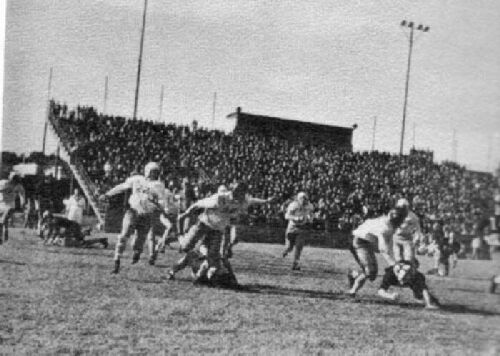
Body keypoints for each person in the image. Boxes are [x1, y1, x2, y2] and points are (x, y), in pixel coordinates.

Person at [169, 182, 272, 281]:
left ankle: (200, 274)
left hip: (217, 230)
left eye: (241, 192)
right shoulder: (221, 198)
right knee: (186, 247)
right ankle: (181, 243)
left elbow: (253, 200)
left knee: (210, 257)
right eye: (236, 191)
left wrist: (267, 201)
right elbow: (199, 204)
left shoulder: (243, 200)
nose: (239, 195)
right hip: (204, 224)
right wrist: (186, 214)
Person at [100, 162, 166, 274]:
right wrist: (108, 194)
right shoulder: (137, 179)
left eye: (156, 172)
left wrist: (159, 205)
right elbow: (122, 186)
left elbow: (162, 201)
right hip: (133, 211)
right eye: (153, 171)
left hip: (146, 215)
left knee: (137, 243)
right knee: (123, 235)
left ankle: (137, 252)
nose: (154, 174)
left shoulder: (159, 185)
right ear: (147, 171)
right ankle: (117, 261)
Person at [347, 209, 407, 297]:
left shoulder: (386, 222)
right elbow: (383, 248)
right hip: (359, 241)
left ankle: (354, 274)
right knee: (370, 272)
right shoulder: (386, 227)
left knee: (372, 275)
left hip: (365, 241)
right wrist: (393, 264)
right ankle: (352, 291)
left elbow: (388, 245)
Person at [282, 192, 314, 270]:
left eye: (305, 199)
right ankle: (286, 250)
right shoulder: (293, 205)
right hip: (292, 227)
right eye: (302, 199)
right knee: (290, 247)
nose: (304, 201)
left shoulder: (309, 205)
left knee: (299, 246)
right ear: (298, 199)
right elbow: (286, 216)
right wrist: (295, 218)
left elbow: (311, 214)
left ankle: (295, 263)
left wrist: (310, 218)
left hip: (302, 228)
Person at [392, 198, 423, 266]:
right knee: (398, 259)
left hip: (407, 238)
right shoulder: (394, 214)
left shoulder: (412, 216)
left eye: (403, 207)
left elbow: (418, 228)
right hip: (396, 238)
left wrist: (417, 238)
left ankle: (409, 271)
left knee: (408, 259)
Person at [0, 172, 26, 244]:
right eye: (13, 179)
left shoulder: (18, 186)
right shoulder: (3, 183)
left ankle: (2, 238)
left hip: (10, 206)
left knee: (3, 220)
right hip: (1, 204)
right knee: (4, 222)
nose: (14, 181)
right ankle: (4, 237)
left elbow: (22, 194)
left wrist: (23, 203)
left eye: (15, 179)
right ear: (10, 178)